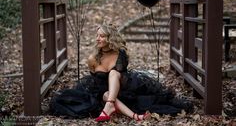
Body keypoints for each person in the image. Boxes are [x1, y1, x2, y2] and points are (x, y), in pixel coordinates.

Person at [49, 24, 193, 122]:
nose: (98, 39)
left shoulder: (120, 54)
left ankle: (111, 105)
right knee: (103, 94)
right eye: (97, 36)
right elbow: (95, 81)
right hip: (102, 92)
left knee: (113, 74)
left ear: (110, 39)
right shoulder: (92, 59)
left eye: (102, 36)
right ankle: (135, 116)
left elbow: (120, 74)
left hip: (123, 89)